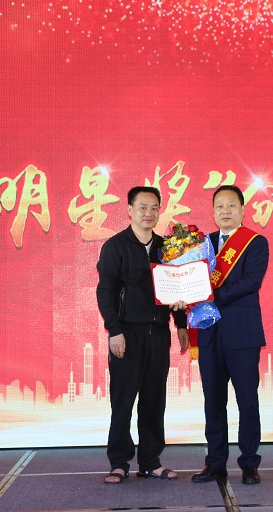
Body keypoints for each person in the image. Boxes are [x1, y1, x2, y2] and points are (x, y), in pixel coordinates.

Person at [96, 186, 190, 484]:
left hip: (158, 334)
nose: (148, 213)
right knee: (122, 401)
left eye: (154, 208)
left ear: (159, 211)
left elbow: (177, 289)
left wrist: (181, 324)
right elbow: (105, 291)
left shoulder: (166, 248)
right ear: (130, 210)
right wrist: (114, 330)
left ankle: (151, 462)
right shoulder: (115, 246)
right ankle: (119, 463)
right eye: (142, 207)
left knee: (154, 401)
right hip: (127, 335)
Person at [191, 185, 269, 485]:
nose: (225, 211)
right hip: (209, 333)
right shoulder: (204, 244)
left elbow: (251, 281)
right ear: (213, 211)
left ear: (242, 209)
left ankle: (249, 463)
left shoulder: (255, 243)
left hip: (242, 334)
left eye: (231, 205)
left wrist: (211, 296)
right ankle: (215, 463)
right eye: (220, 206)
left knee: (247, 400)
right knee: (213, 401)